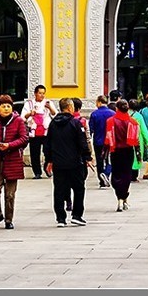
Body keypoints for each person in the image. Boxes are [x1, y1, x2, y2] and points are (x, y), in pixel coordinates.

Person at [45, 97, 93, 226]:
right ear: (70, 107)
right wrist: (87, 157)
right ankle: (77, 215)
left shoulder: (53, 124)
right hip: (74, 162)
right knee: (78, 188)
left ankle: (61, 218)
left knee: (59, 190)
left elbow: (47, 143)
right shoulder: (75, 123)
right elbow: (82, 142)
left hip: (58, 162)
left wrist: (49, 160)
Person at [0, 94, 28, 230]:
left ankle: (9, 220)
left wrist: (10, 145)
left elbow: (24, 138)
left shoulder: (18, 121)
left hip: (12, 161)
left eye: (9, 106)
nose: (6, 108)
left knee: (10, 194)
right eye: (3, 106)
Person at [106, 99, 142, 210]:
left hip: (116, 151)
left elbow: (107, 139)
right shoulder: (133, 122)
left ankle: (120, 198)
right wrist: (138, 154)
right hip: (128, 151)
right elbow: (136, 141)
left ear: (117, 108)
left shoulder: (110, 121)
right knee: (126, 175)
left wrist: (104, 153)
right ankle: (123, 198)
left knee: (116, 174)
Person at [22, 84, 56, 179]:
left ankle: (47, 167)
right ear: (35, 94)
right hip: (34, 132)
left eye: (43, 93)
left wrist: (49, 108)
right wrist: (30, 114)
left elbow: (55, 115)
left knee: (48, 151)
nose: (42, 95)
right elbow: (23, 117)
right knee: (35, 153)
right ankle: (37, 172)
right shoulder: (29, 104)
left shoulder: (48, 103)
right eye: (40, 93)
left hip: (46, 131)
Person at [89, 95, 115, 189]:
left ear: (99, 102)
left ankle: (101, 180)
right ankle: (106, 174)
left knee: (99, 160)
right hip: (110, 141)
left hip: (98, 141)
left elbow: (91, 130)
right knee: (110, 160)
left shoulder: (94, 114)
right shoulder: (112, 113)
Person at [127, 99, 148, 182]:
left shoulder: (124, 114)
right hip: (137, 140)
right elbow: (144, 130)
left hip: (126, 139)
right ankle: (134, 176)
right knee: (136, 157)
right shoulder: (138, 116)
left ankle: (128, 174)